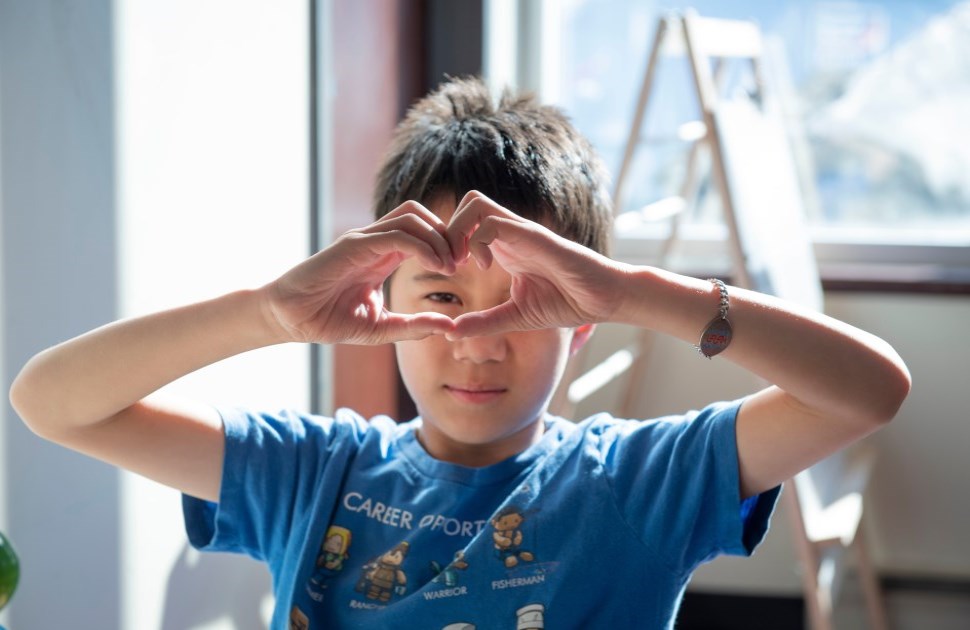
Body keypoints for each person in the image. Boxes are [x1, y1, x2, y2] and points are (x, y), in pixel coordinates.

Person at [9, 76, 911, 629]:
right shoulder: (312, 469)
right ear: (384, 305)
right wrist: (269, 314)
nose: (477, 343)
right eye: (442, 298)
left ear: (582, 321)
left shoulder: (634, 482)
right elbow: (50, 403)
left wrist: (637, 291)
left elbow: (868, 393)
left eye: (524, 306)